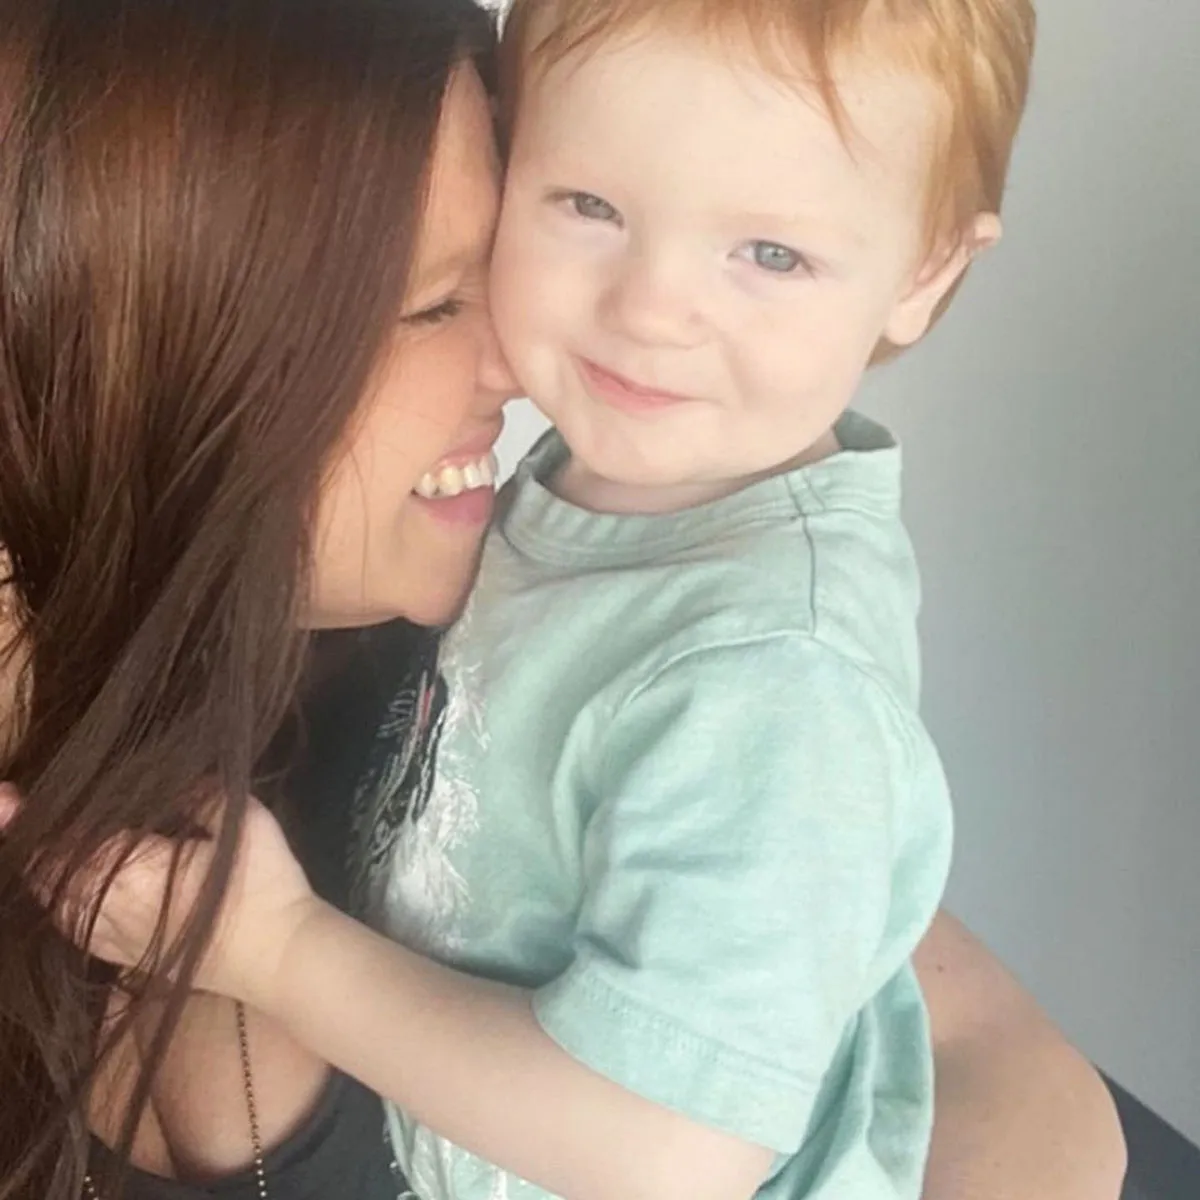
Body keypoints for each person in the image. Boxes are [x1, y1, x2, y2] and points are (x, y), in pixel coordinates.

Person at [0, 1, 1124, 1199]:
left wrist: (280, 951)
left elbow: (971, 1062)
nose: (640, 319)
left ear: (927, 272)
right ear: (149, 364)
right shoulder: (577, 538)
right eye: (585, 208)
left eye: (770, 253)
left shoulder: (757, 664)